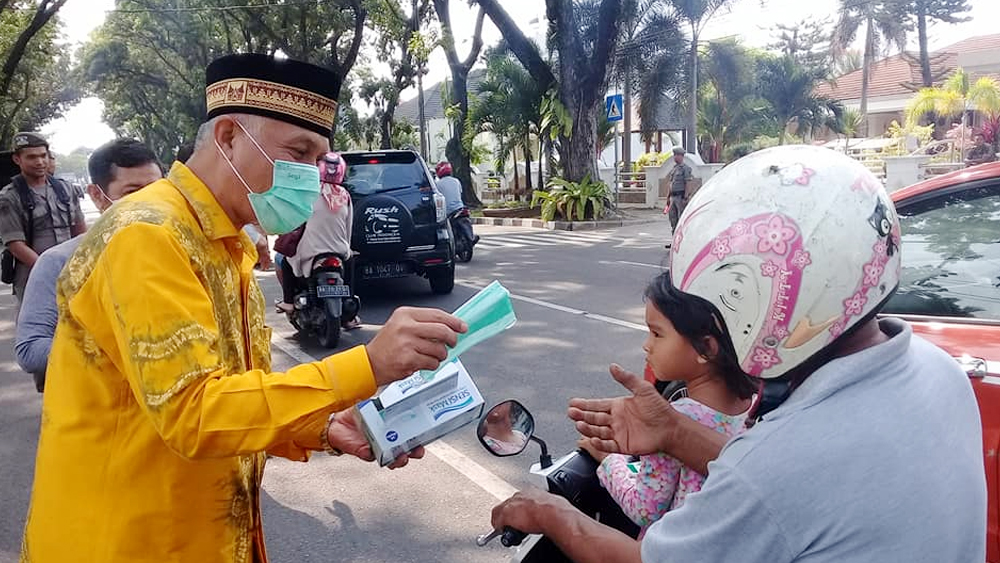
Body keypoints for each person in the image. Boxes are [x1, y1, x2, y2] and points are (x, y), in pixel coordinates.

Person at [21, 53, 467, 563]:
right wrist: (367, 365)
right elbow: (194, 411)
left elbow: (234, 400)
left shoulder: (226, 245)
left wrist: (321, 427)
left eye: (317, 159)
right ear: (229, 136)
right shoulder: (148, 234)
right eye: (297, 151)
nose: (308, 176)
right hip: (125, 540)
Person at [491, 145, 985, 563]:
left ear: (767, 306)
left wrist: (550, 513)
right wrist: (674, 431)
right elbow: (805, 494)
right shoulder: (940, 373)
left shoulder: (779, 463)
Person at [577, 272, 752, 537]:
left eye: (657, 334)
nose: (647, 346)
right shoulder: (751, 406)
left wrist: (608, 459)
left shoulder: (674, 419)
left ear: (706, 348)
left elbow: (645, 508)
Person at [15, 138, 162, 392]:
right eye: (132, 192)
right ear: (97, 195)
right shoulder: (60, 263)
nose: (148, 202)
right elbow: (30, 349)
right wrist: (129, 351)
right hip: (100, 408)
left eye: (157, 190)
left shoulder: (181, 249)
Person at [0, 132, 86, 304]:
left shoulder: (66, 189)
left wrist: (83, 264)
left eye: (43, 156)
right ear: (18, 159)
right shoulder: (9, 197)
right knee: (40, 328)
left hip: (72, 272)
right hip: (33, 276)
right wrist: (50, 270)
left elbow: (80, 232)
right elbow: (16, 244)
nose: (40, 162)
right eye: (31, 157)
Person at [277, 152, 356, 331]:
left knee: (285, 262)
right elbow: (349, 226)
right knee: (351, 262)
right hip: (339, 250)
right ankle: (350, 310)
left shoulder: (308, 191)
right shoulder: (345, 195)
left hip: (310, 251)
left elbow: (294, 219)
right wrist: (346, 248)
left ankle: (289, 302)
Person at [664, 146, 692, 242]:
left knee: (681, 220)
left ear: (681, 156)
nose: (675, 157)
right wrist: (668, 197)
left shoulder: (685, 169)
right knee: (673, 219)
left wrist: (686, 197)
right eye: (674, 155)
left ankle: (683, 242)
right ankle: (674, 241)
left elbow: (687, 183)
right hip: (673, 197)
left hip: (680, 197)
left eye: (677, 155)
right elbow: (670, 183)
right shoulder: (674, 169)